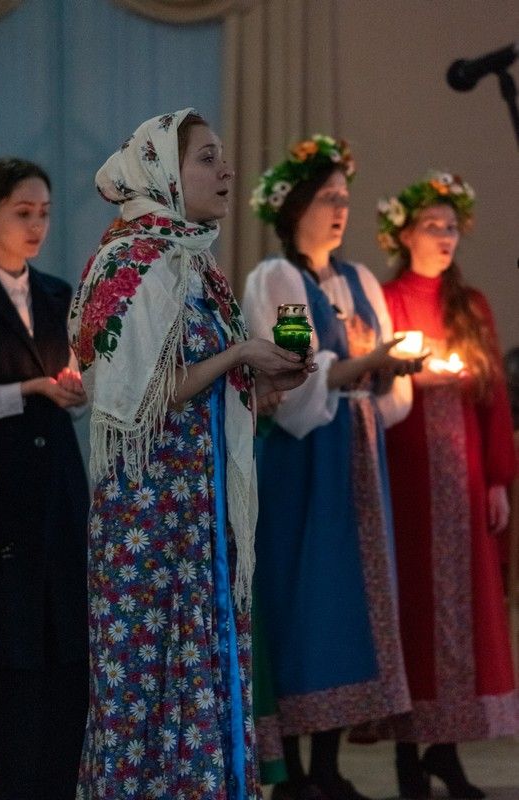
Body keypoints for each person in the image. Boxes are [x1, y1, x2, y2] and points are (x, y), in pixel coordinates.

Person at [68, 108, 313, 800]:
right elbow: (140, 395)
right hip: (148, 519)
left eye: (221, 156)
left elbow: (198, 386)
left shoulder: (193, 262)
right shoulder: (132, 262)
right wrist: (239, 354)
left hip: (197, 512)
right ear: (163, 173)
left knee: (198, 677)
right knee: (147, 692)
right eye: (207, 157)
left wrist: (261, 381)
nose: (225, 170)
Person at [242, 135, 424, 800]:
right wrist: (369, 363)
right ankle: (291, 770)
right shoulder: (281, 281)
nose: (340, 209)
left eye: (345, 197)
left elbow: (384, 387)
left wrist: (387, 372)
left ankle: (328, 763)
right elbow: (294, 374)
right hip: (302, 460)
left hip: (356, 453)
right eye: (326, 197)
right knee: (301, 597)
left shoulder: (360, 281)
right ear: (294, 206)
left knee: (352, 602)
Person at [376, 171, 519, 799]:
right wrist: (409, 378)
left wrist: (497, 479)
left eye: (452, 227)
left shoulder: (472, 305)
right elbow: (372, 378)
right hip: (406, 475)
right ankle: (409, 750)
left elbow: (493, 397)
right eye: (432, 225)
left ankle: (447, 749)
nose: (444, 236)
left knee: (462, 612)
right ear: (404, 235)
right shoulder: (385, 299)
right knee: (411, 606)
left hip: (461, 479)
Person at [0, 157, 89, 800]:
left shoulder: (56, 293)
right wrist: (27, 389)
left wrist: (73, 389)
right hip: (0, 488)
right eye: (23, 213)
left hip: (57, 483)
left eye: (45, 214)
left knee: (64, 640)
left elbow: (72, 374)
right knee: (9, 649)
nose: (36, 227)